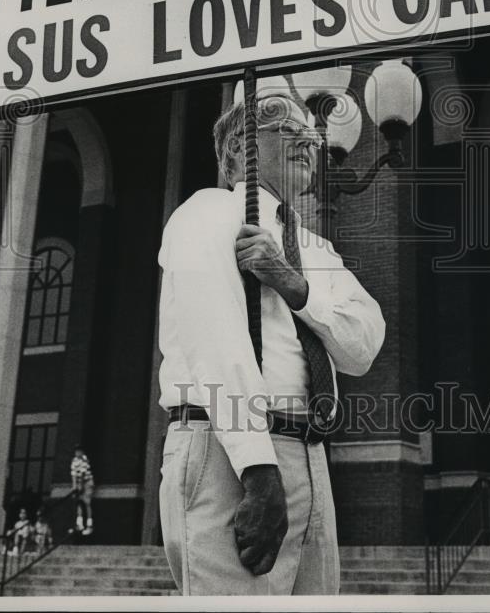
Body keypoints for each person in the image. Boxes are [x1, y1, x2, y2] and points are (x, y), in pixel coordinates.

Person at [157, 89, 386, 595]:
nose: (307, 141)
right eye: (286, 129)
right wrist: (258, 469)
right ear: (237, 154)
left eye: (310, 133)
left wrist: (294, 286)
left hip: (310, 453)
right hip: (229, 453)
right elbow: (213, 342)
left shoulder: (314, 248)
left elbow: (363, 344)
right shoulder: (208, 213)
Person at [70, 446, 94, 535]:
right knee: (78, 502)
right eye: (76, 451)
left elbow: (83, 473)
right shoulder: (74, 461)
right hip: (80, 482)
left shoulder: (84, 460)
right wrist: (74, 486)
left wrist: (80, 486)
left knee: (87, 502)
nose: (77, 453)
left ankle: (89, 525)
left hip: (87, 482)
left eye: (79, 451)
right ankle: (79, 524)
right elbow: (73, 474)